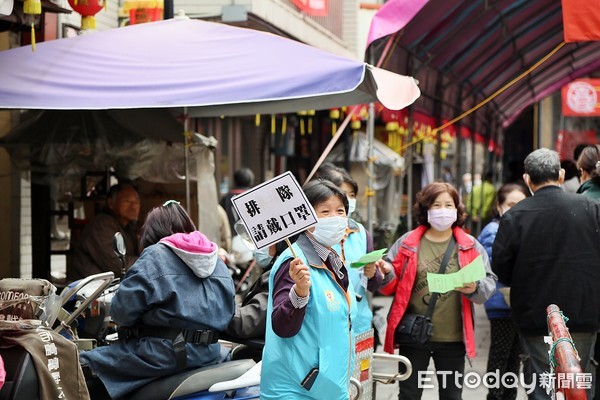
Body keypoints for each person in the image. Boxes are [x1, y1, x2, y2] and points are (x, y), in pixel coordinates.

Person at [80, 200, 235, 400]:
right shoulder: (216, 259)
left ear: (153, 232)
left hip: (164, 355)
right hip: (210, 353)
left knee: (82, 363)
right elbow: (229, 310)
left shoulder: (155, 255)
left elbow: (121, 313)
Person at [492, 148, 600, 400]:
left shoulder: (514, 216)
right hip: (585, 312)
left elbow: (501, 268)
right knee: (580, 379)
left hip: (536, 316)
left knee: (545, 383)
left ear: (527, 180)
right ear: (561, 175)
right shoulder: (592, 209)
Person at [379, 181, 497, 400]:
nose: (443, 211)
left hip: (453, 338)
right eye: (436, 205)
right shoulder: (407, 243)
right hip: (414, 335)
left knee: (452, 396)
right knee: (409, 395)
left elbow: (488, 283)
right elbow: (388, 285)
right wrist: (383, 272)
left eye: (448, 204)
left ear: (457, 209)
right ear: (425, 209)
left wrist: (475, 288)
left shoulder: (469, 245)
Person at [261, 179, 358, 399]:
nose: (335, 218)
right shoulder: (294, 263)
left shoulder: (332, 258)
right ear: (304, 217)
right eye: (325, 211)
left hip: (328, 386)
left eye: (340, 211)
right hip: (296, 388)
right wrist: (300, 293)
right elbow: (282, 326)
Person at [314, 165, 392, 336]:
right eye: (343, 194)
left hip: (358, 321)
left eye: (352, 195)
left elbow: (373, 284)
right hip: (324, 323)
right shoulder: (314, 232)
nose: (348, 200)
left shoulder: (362, 233)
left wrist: (373, 273)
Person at [477, 183, 529, 400]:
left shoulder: (515, 227)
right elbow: (497, 265)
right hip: (501, 303)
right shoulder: (493, 231)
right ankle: (496, 395)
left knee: (513, 357)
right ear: (499, 206)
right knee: (501, 356)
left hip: (513, 304)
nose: (516, 208)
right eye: (511, 204)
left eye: (521, 204)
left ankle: (507, 395)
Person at [70, 183, 141, 281]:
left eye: (137, 201)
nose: (134, 206)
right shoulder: (102, 224)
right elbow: (118, 266)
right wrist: (148, 260)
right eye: (127, 201)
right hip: (90, 290)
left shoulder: (129, 226)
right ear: (111, 203)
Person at [220, 167, 255, 235]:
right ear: (251, 182)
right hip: (250, 239)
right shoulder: (254, 197)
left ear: (235, 181)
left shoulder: (225, 199)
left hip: (231, 236)